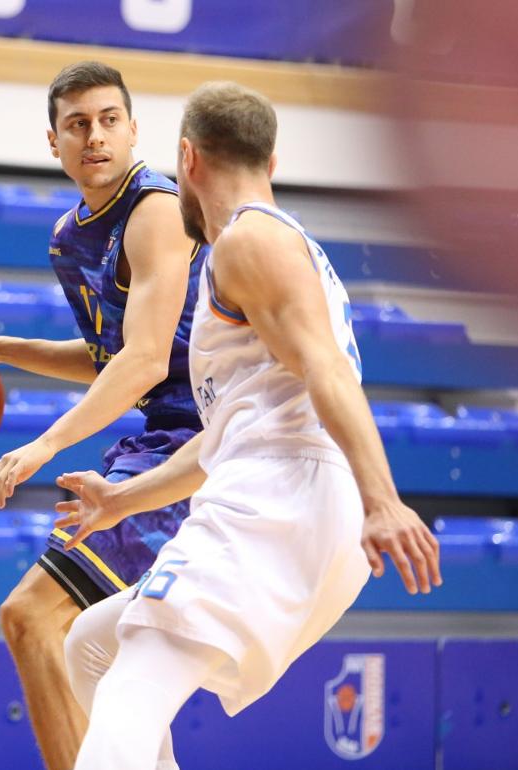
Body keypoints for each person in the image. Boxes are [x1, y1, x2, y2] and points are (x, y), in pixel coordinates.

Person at [54, 81, 443, 770]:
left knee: (131, 694)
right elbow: (238, 426)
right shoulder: (275, 249)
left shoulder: (248, 241)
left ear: (188, 160)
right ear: (272, 160)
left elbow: (328, 371)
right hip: (295, 499)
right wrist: (123, 499)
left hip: (280, 500)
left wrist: (384, 501)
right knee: (92, 644)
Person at [0, 61, 208, 769]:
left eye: (110, 120)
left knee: (34, 618)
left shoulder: (157, 211)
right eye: (78, 124)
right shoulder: (69, 238)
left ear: (135, 130)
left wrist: (41, 446)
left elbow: (143, 362)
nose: (95, 136)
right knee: (107, 655)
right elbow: (114, 354)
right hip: (159, 441)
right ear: (54, 142)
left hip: (203, 443)